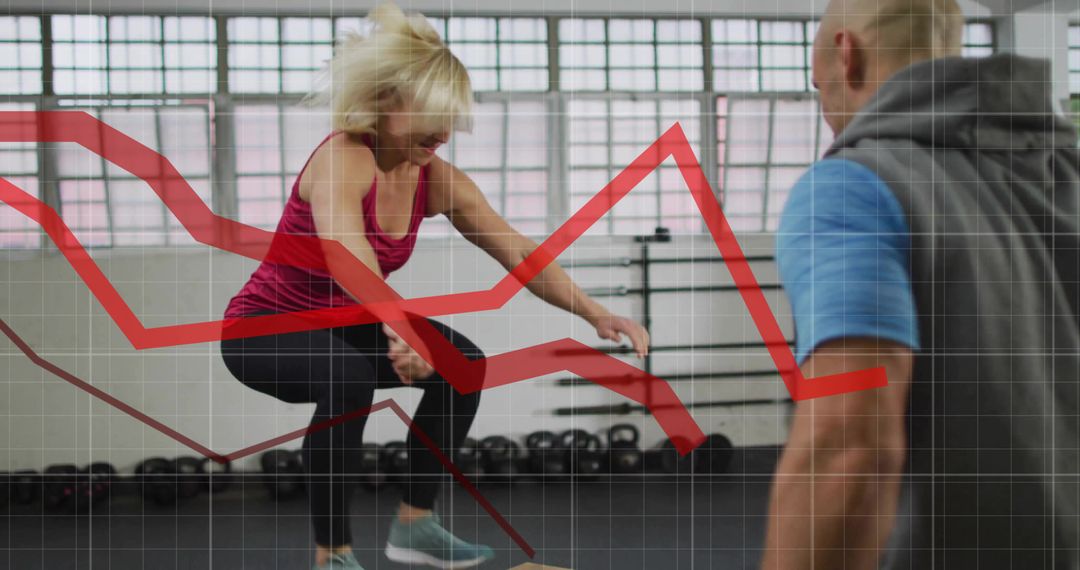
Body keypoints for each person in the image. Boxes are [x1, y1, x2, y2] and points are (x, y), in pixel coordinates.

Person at [219, 4, 650, 570]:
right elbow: (351, 262)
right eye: (430, 115)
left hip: (349, 326)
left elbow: (519, 252)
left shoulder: (435, 179)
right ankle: (333, 556)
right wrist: (403, 331)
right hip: (264, 329)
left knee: (463, 364)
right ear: (384, 101)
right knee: (346, 377)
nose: (443, 133)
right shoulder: (343, 159)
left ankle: (416, 527)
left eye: (450, 119)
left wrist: (594, 312)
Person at [764, 0, 1080, 568]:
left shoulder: (851, 187)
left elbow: (848, 451)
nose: (829, 115)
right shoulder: (1070, 173)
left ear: (846, 55)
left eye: (819, 89)